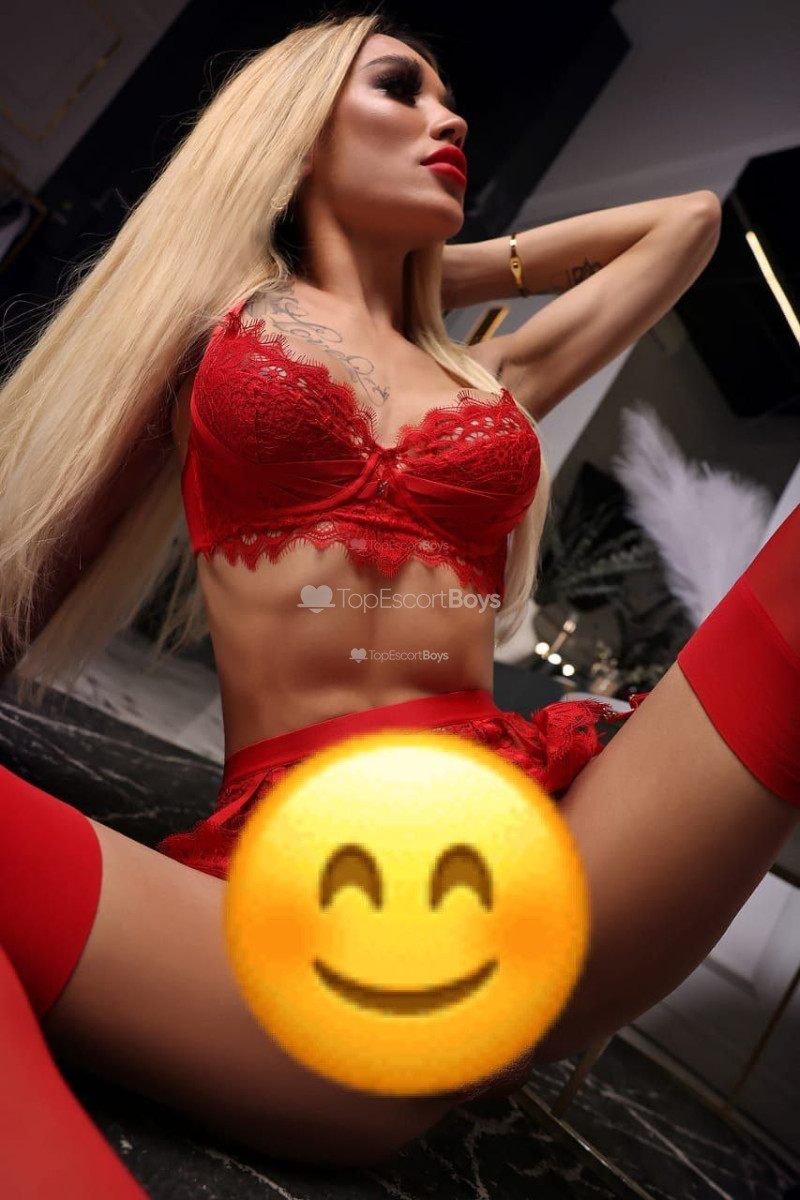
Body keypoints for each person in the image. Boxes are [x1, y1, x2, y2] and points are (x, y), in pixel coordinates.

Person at [0, 10, 798, 1195]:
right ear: (293, 137)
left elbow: (686, 223)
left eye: (448, 99)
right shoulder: (212, 321)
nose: (449, 118)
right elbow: (52, 549)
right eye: (399, 90)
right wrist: (358, 268)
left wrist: (431, 272)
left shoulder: (491, 372)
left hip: (544, 851)